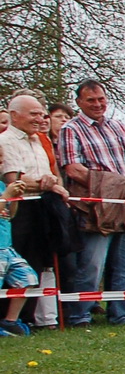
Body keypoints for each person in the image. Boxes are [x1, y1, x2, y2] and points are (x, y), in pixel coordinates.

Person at [57, 79, 125, 326]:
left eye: (101, 99)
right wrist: (112, 185)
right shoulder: (70, 129)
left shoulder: (118, 126)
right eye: (91, 100)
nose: (97, 104)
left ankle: (122, 314)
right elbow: (73, 169)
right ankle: (80, 315)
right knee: (92, 264)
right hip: (95, 206)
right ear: (79, 102)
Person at [1, 92, 73, 328]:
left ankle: (26, 318)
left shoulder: (39, 140)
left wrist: (52, 184)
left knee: (38, 262)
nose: (40, 119)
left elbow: (48, 176)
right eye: (33, 114)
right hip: (17, 209)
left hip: (41, 207)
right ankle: (8, 318)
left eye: (41, 114)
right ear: (14, 115)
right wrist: (46, 183)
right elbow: (14, 180)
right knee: (15, 262)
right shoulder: (6, 141)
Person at [0, 179, 40, 335]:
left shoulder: (1, 185)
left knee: (28, 279)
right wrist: (7, 195)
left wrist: (14, 198)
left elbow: (10, 215)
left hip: (7, 246)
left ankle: (10, 321)